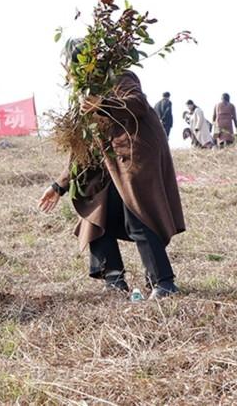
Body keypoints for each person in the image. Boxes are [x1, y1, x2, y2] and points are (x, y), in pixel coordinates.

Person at [39, 60, 185, 299]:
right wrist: (59, 186)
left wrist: (103, 103)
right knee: (95, 212)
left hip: (135, 158)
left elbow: (137, 103)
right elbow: (83, 148)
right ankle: (114, 278)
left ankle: (164, 283)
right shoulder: (86, 96)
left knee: (138, 216)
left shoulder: (119, 77)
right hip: (112, 165)